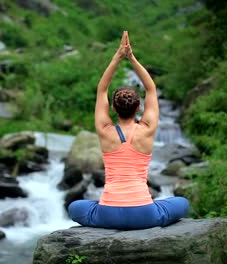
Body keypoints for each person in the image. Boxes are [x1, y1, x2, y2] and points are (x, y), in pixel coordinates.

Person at [67, 31, 189, 230]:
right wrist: (131, 57)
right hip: (144, 214)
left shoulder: (105, 130)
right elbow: (150, 89)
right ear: (139, 108)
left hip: (108, 213)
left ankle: (107, 210)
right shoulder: (147, 129)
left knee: (75, 207)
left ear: (113, 108)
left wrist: (117, 57)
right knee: (182, 203)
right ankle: (150, 209)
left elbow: (102, 90)